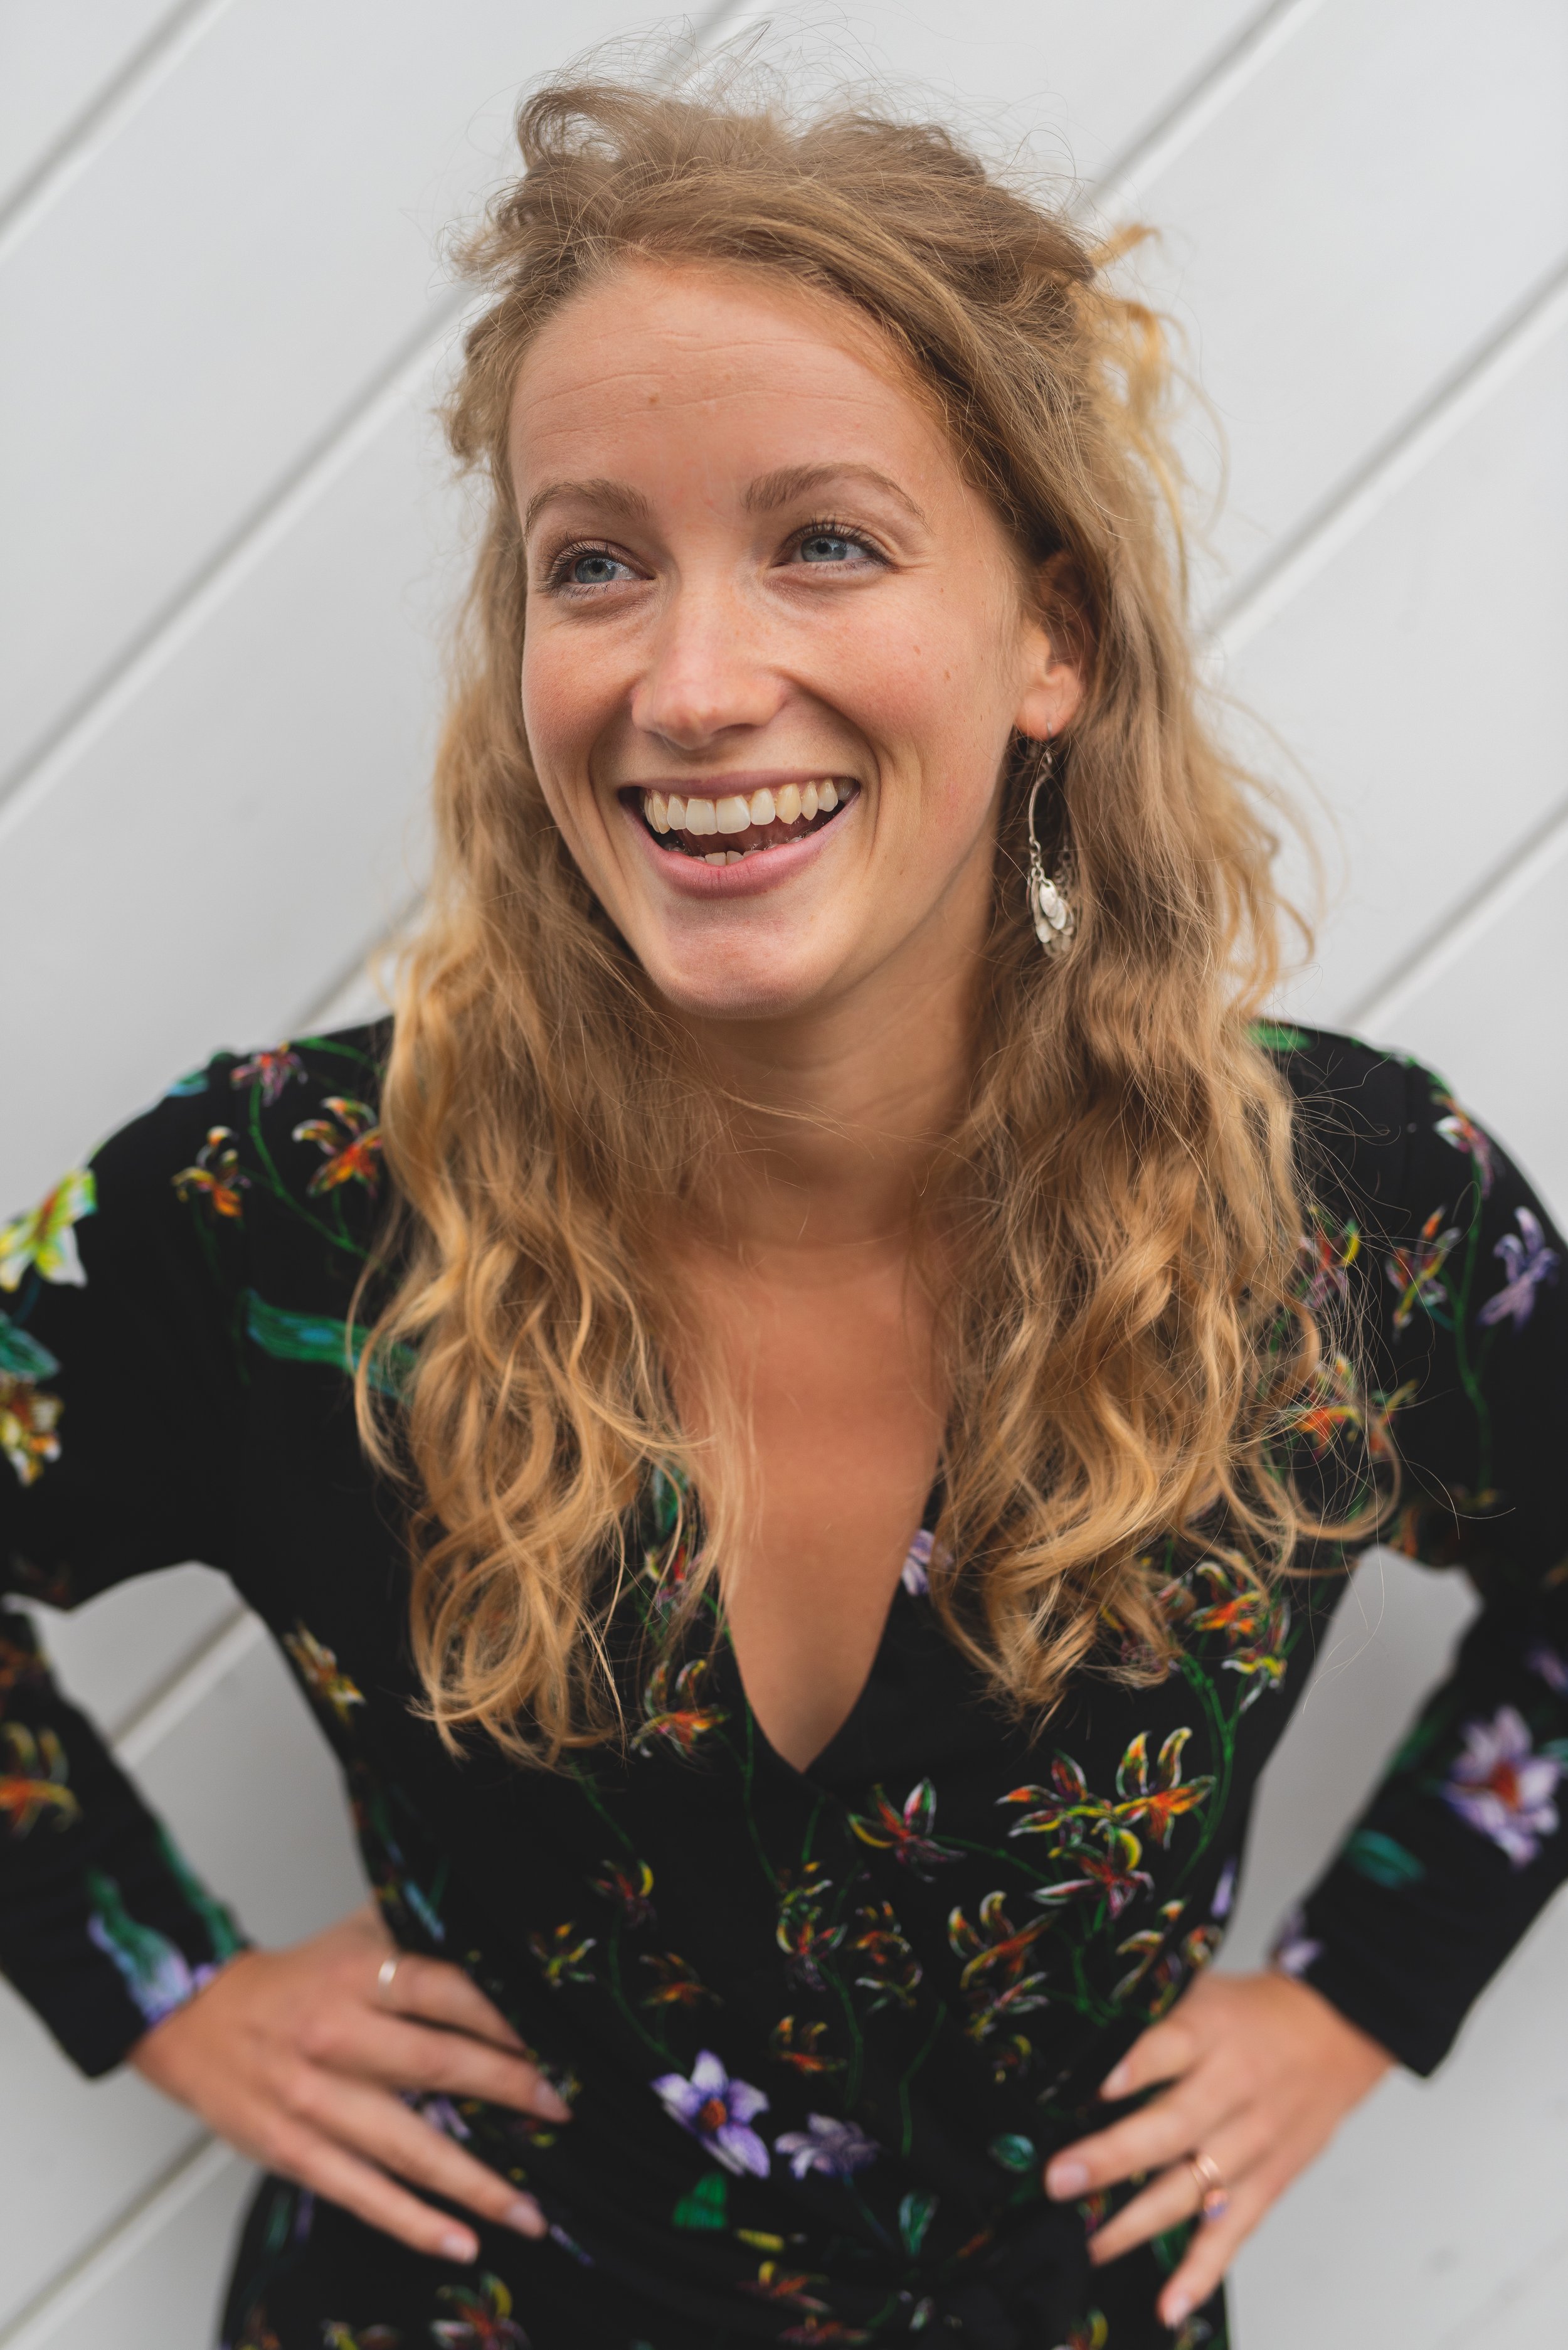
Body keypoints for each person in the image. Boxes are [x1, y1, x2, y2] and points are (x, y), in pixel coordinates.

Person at [2, 73, 1564, 2350]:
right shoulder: (282, 1216)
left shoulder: (1344, 1216)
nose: (693, 682)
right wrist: (149, 1971)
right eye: (596, 561)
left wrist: (1360, 1990)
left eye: (824, 540)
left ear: (1050, 635)